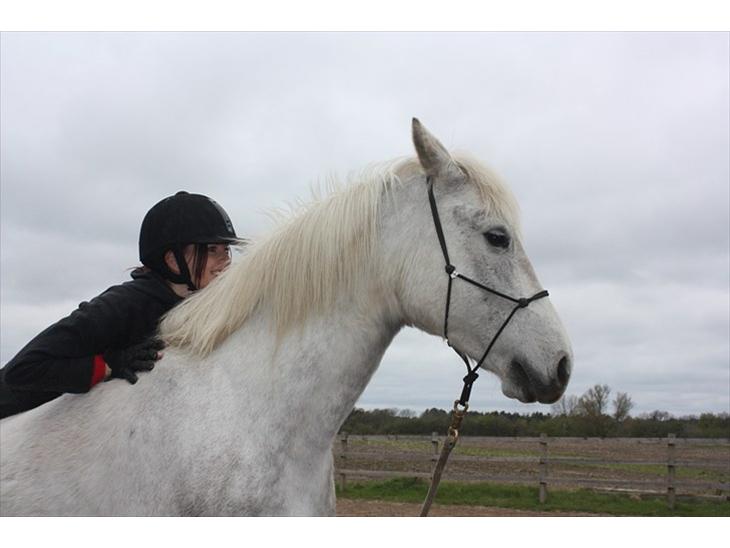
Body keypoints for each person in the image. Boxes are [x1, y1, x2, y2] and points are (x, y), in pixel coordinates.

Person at [0, 191, 238, 419]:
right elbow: (22, 370)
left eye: (226, 250)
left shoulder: (188, 305)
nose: (225, 260)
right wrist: (110, 364)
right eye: (212, 250)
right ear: (173, 260)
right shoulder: (123, 304)